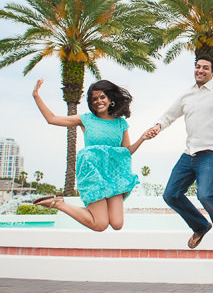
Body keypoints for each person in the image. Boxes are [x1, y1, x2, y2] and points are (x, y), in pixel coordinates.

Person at [145, 54, 213, 248]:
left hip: (212, 153)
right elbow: (169, 115)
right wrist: (158, 126)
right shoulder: (186, 95)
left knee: (205, 194)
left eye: (205, 68)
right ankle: (200, 226)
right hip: (189, 154)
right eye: (198, 67)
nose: (200, 70)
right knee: (171, 194)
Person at [31, 78, 153, 231]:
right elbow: (52, 119)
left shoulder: (121, 123)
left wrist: (142, 138)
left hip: (114, 176)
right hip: (92, 172)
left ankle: (61, 203)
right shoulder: (86, 119)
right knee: (100, 224)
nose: (98, 101)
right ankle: (59, 204)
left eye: (102, 97)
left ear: (110, 99)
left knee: (117, 223)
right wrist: (36, 95)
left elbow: (126, 152)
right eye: (94, 99)